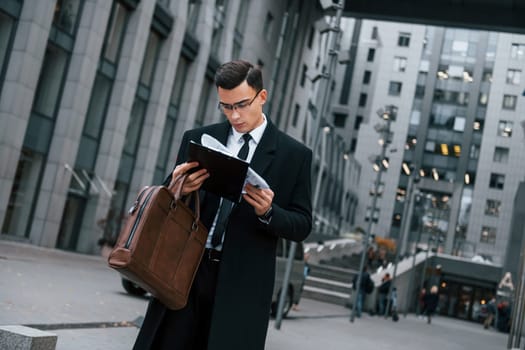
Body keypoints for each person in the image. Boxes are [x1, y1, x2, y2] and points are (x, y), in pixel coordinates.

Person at [133, 60, 313, 350]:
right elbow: (166, 201)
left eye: (241, 104)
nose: (235, 115)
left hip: (243, 284)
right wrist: (176, 188)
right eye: (226, 107)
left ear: (262, 97)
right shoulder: (199, 138)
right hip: (185, 271)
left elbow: (303, 224)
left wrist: (269, 212)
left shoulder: (294, 156)